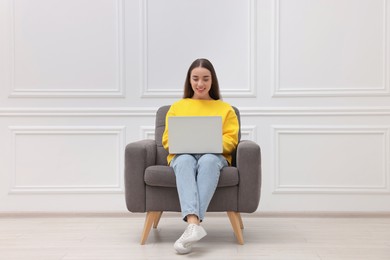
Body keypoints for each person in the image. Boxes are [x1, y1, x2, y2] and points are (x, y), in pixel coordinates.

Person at [162, 58, 239, 254]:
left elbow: (231, 139)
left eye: (205, 78)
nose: (200, 84)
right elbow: (167, 140)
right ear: (189, 81)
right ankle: (194, 224)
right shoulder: (178, 107)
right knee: (186, 160)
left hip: (214, 155)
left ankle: (192, 227)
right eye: (195, 78)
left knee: (208, 160)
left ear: (212, 81)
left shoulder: (225, 108)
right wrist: (180, 144)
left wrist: (211, 145)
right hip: (183, 154)